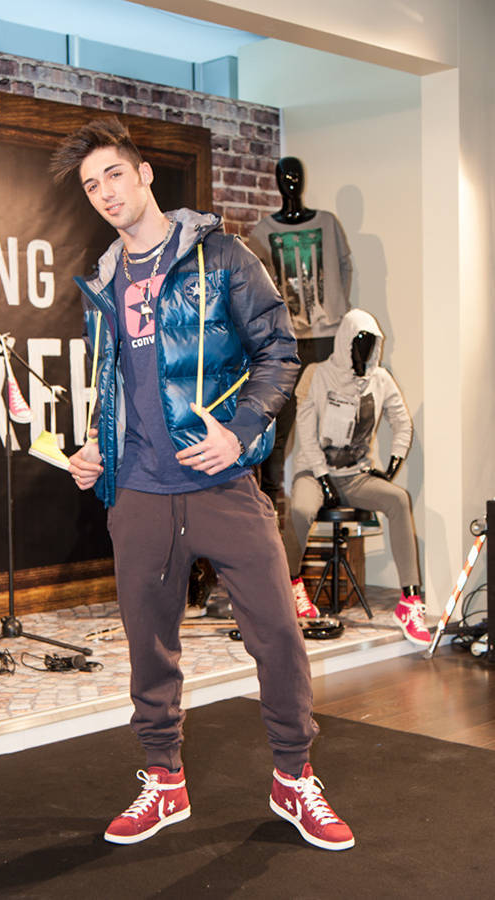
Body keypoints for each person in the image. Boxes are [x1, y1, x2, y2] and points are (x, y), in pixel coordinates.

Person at [50, 117, 354, 851]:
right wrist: (98, 447)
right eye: (91, 186)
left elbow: (279, 350)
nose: (105, 193)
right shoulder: (103, 282)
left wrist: (242, 430)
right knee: (148, 644)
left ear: (145, 174)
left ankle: (293, 778)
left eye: (114, 175)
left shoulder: (221, 256)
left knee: (277, 634)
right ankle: (164, 780)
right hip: (138, 491)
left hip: (222, 482)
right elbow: (117, 385)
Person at [282, 308, 429, 646]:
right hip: (314, 472)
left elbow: (402, 423)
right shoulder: (317, 375)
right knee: (301, 510)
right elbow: (306, 432)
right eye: (358, 343)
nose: (364, 351)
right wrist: (322, 478)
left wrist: (391, 467)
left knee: (398, 499)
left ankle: (409, 601)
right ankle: (291, 584)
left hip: (354, 476)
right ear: (344, 342)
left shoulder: (381, 379)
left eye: (370, 344)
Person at [248, 159, 351, 616]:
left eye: (295, 175)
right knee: (278, 434)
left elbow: (343, 270)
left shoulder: (327, 223)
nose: (290, 182)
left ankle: (329, 493)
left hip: (326, 337)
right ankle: (272, 549)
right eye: (283, 176)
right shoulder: (261, 231)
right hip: (286, 339)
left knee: (330, 426)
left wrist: (334, 314)